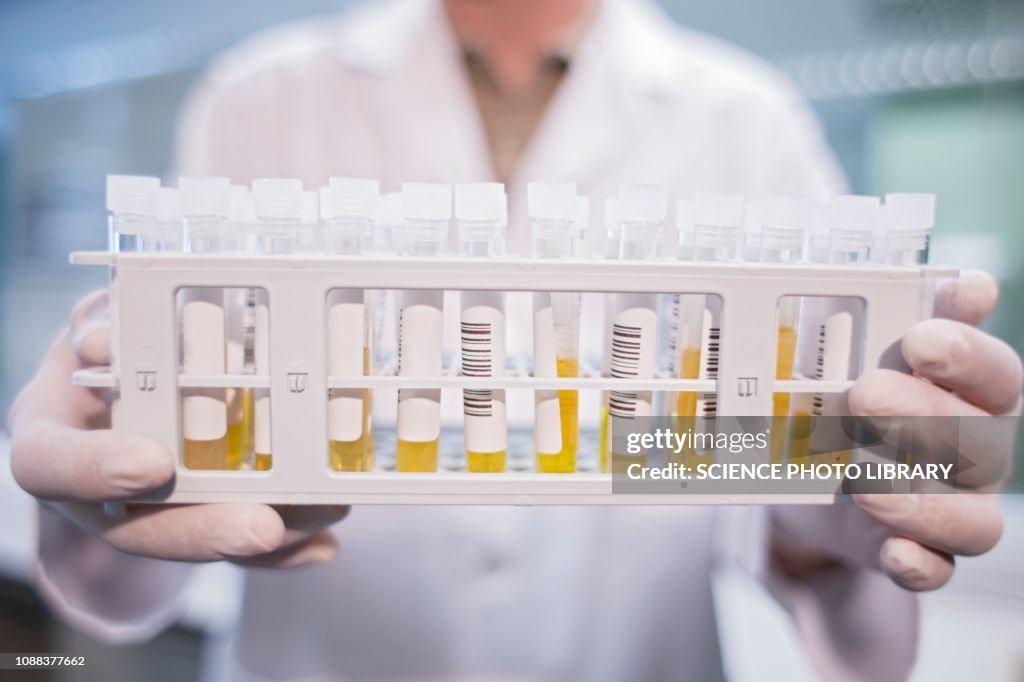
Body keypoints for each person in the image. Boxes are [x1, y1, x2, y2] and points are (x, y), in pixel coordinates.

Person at [8, 0, 1021, 680]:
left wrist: (836, 525)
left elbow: (759, 449)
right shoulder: (260, 96)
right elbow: (174, 496)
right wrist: (107, 495)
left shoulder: (745, 118)